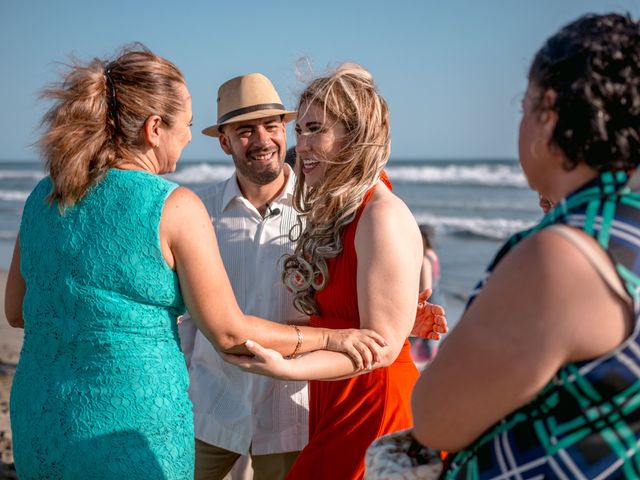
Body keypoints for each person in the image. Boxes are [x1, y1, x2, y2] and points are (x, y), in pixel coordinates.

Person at [5, 47, 389, 480]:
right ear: (155, 129)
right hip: (152, 416)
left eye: (272, 125)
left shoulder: (45, 194)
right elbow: (227, 332)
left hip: (41, 411)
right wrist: (336, 340)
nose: (187, 137)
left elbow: (17, 312)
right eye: (186, 125)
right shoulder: (180, 207)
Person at [410, 13, 640, 479]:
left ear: (548, 111)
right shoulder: (622, 226)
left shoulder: (565, 256)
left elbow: (436, 420)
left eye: (523, 104)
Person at [225, 63, 447, 479]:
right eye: (300, 131)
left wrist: (287, 367)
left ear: (354, 135)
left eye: (315, 130)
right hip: (335, 401)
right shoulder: (340, 213)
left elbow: (379, 348)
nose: (301, 146)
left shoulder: (382, 216)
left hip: (373, 407)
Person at [178, 73, 308, 480]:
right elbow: (181, 313)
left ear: (284, 130)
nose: (262, 139)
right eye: (245, 130)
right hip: (209, 405)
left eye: (271, 126)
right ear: (225, 142)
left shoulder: (319, 209)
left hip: (293, 411)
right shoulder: (198, 211)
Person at [410, 224, 444, 366]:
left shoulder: (424, 259)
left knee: (421, 338)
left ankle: (424, 367)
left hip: (429, 301)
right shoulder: (433, 255)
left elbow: (426, 289)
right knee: (431, 338)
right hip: (439, 298)